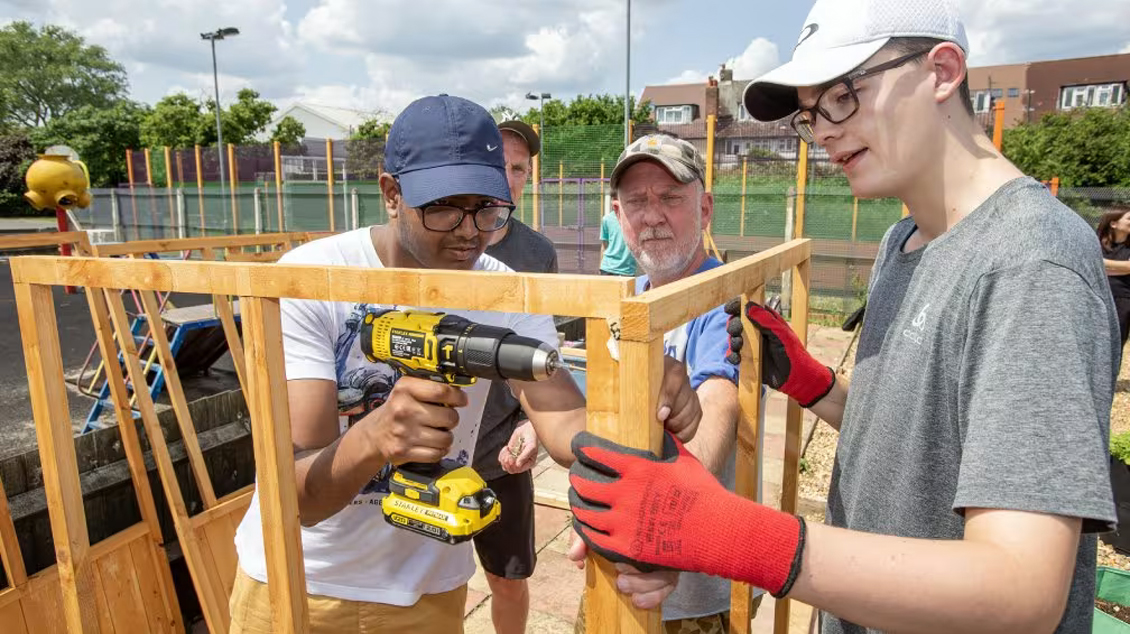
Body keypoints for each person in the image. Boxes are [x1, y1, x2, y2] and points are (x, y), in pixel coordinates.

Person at [566, 1, 1122, 633]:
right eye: (812, 114)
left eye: (842, 96)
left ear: (942, 71)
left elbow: (1021, 592)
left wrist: (742, 536)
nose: (824, 130)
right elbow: (925, 442)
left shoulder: (1030, 264)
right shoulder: (906, 240)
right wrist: (817, 388)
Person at [228, 94, 701, 634]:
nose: (469, 230)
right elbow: (300, 498)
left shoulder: (502, 289)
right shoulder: (310, 281)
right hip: (301, 588)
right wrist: (376, 434)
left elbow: (565, 426)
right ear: (390, 194)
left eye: (487, 208)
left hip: (432, 590)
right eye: (445, 206)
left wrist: (643, 398)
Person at [571, 134, 766, 632]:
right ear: (617, 217)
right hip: (613, 565)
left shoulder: (726, 298)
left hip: (689, 590)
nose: (652, 216)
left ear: (704, 209)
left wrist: (663, 527)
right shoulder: (626, 301)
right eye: (636, 201)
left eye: (670, 198)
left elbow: (721, 401)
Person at [472, 118, 558, 634]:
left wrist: (535, 425)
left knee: (507, 578)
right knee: (430, 580)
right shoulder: (438, 244)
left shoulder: (536, 254)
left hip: (502, 449)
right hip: (431, 445)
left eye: (518, 168)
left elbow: (545, 352)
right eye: (496, 164)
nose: (506, 176)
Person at [1098, 206, 1130, 348]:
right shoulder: (1096, 242)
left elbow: (1094, 264)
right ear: (1113, 223)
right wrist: (1123, 268)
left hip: (1123, 300)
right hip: (1098, 296)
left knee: (1115, 344)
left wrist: (1101, 263)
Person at [599, 206, 638, 276]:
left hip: (627, 271)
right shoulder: (606, 219)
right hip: (607, 269)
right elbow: (604, 246)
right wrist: (600, 267)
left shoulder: (636, 219)